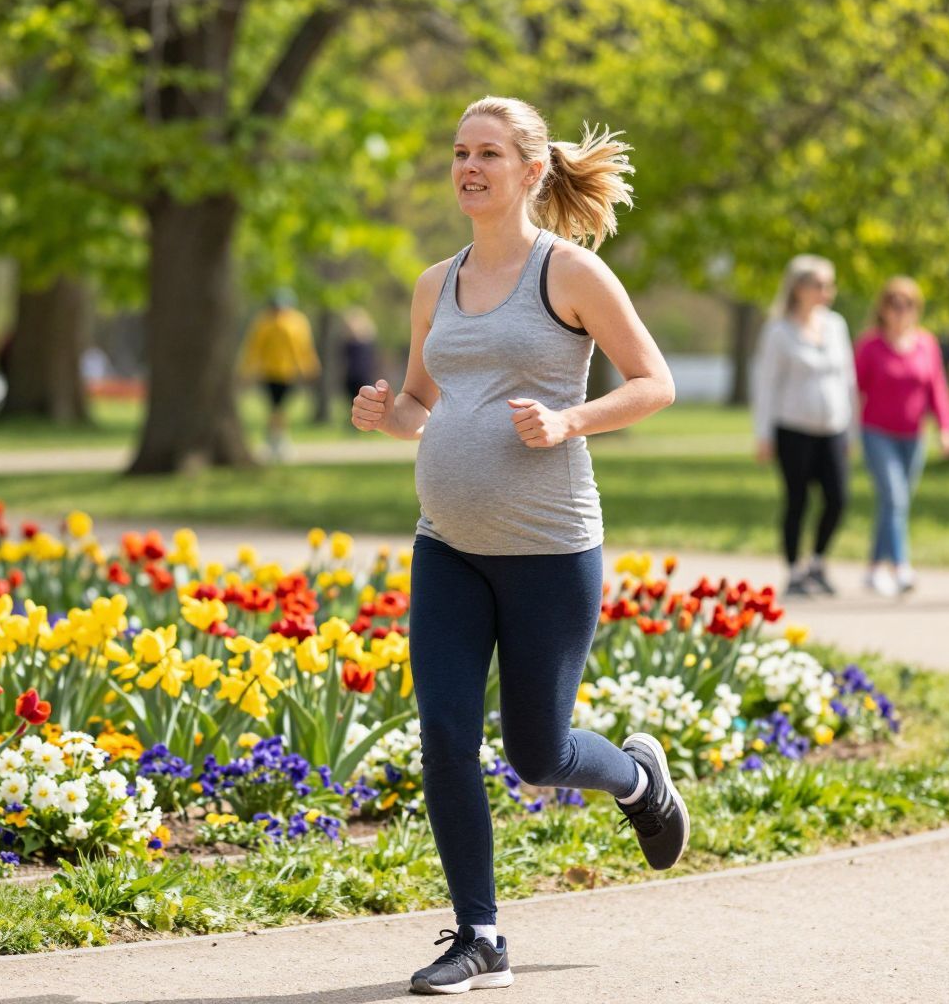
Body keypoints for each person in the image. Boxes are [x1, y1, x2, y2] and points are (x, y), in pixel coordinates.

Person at [350, 96, 683, 996]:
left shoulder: (569, 273)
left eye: (489, 153)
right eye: (460, 151)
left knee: (538, 751)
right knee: (445, 736)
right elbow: (423, 407)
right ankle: (481, 934)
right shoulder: (434, 283)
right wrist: (390, 415)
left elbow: (656, 383)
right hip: (447, 544)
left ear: (531, 172)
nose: (469, 166)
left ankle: (640, 779)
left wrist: (572, 418)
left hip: (549, 549)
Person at [750, 255, 856, 597]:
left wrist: (851, 428)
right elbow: (765, 384)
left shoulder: (836, 325)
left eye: (830, 284)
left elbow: (848, 379)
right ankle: (795, 570)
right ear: (799, 288)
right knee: (797, 500)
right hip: (793, 428)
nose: (827, 292)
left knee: (838, 498)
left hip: (832, 427)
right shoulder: (779, 330)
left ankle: (818, 562)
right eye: (819, 284)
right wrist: (763, 434)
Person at [853, 277, 949, 596]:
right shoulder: (870, 346)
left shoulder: (926, 344)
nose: (901, 311)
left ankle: (872, 568)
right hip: (876, 433)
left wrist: (946, 426)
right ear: (883, 308)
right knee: (895, 497)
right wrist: (846, 433)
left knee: (894, 502)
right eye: (894, 304)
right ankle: (900, 567)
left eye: (908, 305)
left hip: (914, 435)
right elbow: (853, 390)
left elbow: (936, 388)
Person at [240, 289, 320, 462]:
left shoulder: (298, 322)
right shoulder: (264, 323)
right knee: (275, 407)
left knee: (280, 408)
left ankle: (277, 439)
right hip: (269, 371)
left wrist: (309, 367)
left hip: (289, 371)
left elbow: (303, 347)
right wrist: (248, 369)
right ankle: (276, 440)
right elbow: (254, 348)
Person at [339, 307, 380, 424]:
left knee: (358, 401)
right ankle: (361, 423)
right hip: (360, 374)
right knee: (358, 401)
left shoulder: (352, 343)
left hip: (357, 374)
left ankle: (362, 423)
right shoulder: (366, 341)